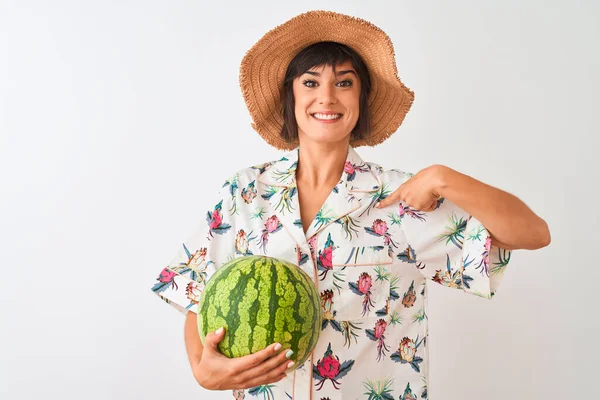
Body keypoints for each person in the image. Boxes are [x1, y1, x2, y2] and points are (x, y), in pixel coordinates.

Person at [150, 10, 550, 400]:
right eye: (310, 82)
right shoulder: (245, 192)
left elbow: (533, 233)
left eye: (344, 83)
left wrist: (442, 177)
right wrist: (203, 368)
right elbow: (195, 292)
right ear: (290, 96)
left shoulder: (400, 199)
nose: (326, 97)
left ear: (361, 98)